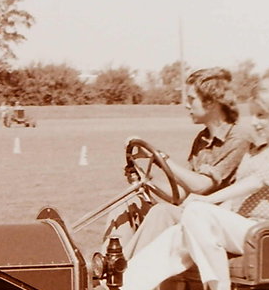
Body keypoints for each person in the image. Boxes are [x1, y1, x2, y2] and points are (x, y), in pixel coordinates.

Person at [120, 78, 269, 290]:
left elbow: (255, 182)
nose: (256, 123)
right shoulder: (259, 150)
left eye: (262, 115)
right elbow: (238, 193)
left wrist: (207, 201)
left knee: (198, 211)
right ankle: (125, 287)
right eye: (253, 115)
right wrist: (208, 207)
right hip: (246, 227)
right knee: (180, 231)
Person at [107, 67, 253, 257]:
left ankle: (124, 276)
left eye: (192, 99)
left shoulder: (238, 138)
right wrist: (146, 180)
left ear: (211, 102)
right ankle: (107, 272)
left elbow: (201, 186)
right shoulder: (202, 139)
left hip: (217, 222)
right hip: (193, 212)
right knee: (127, 202)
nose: (186, 105)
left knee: (162, 213)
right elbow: (181, 194)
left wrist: (159, 157)